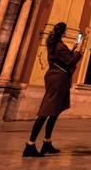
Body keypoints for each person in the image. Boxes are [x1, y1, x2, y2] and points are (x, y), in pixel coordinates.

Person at [23, 22, 82, 157]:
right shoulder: (60, 46)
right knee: (46, 111)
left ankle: (47, 142)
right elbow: (70, 61)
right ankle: (30, 144)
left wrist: (72, 50)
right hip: (58, 79)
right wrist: (78, 51)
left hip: (57, 77)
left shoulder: (55, 44)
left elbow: (62, 59)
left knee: (54, 111)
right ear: (63, 32)